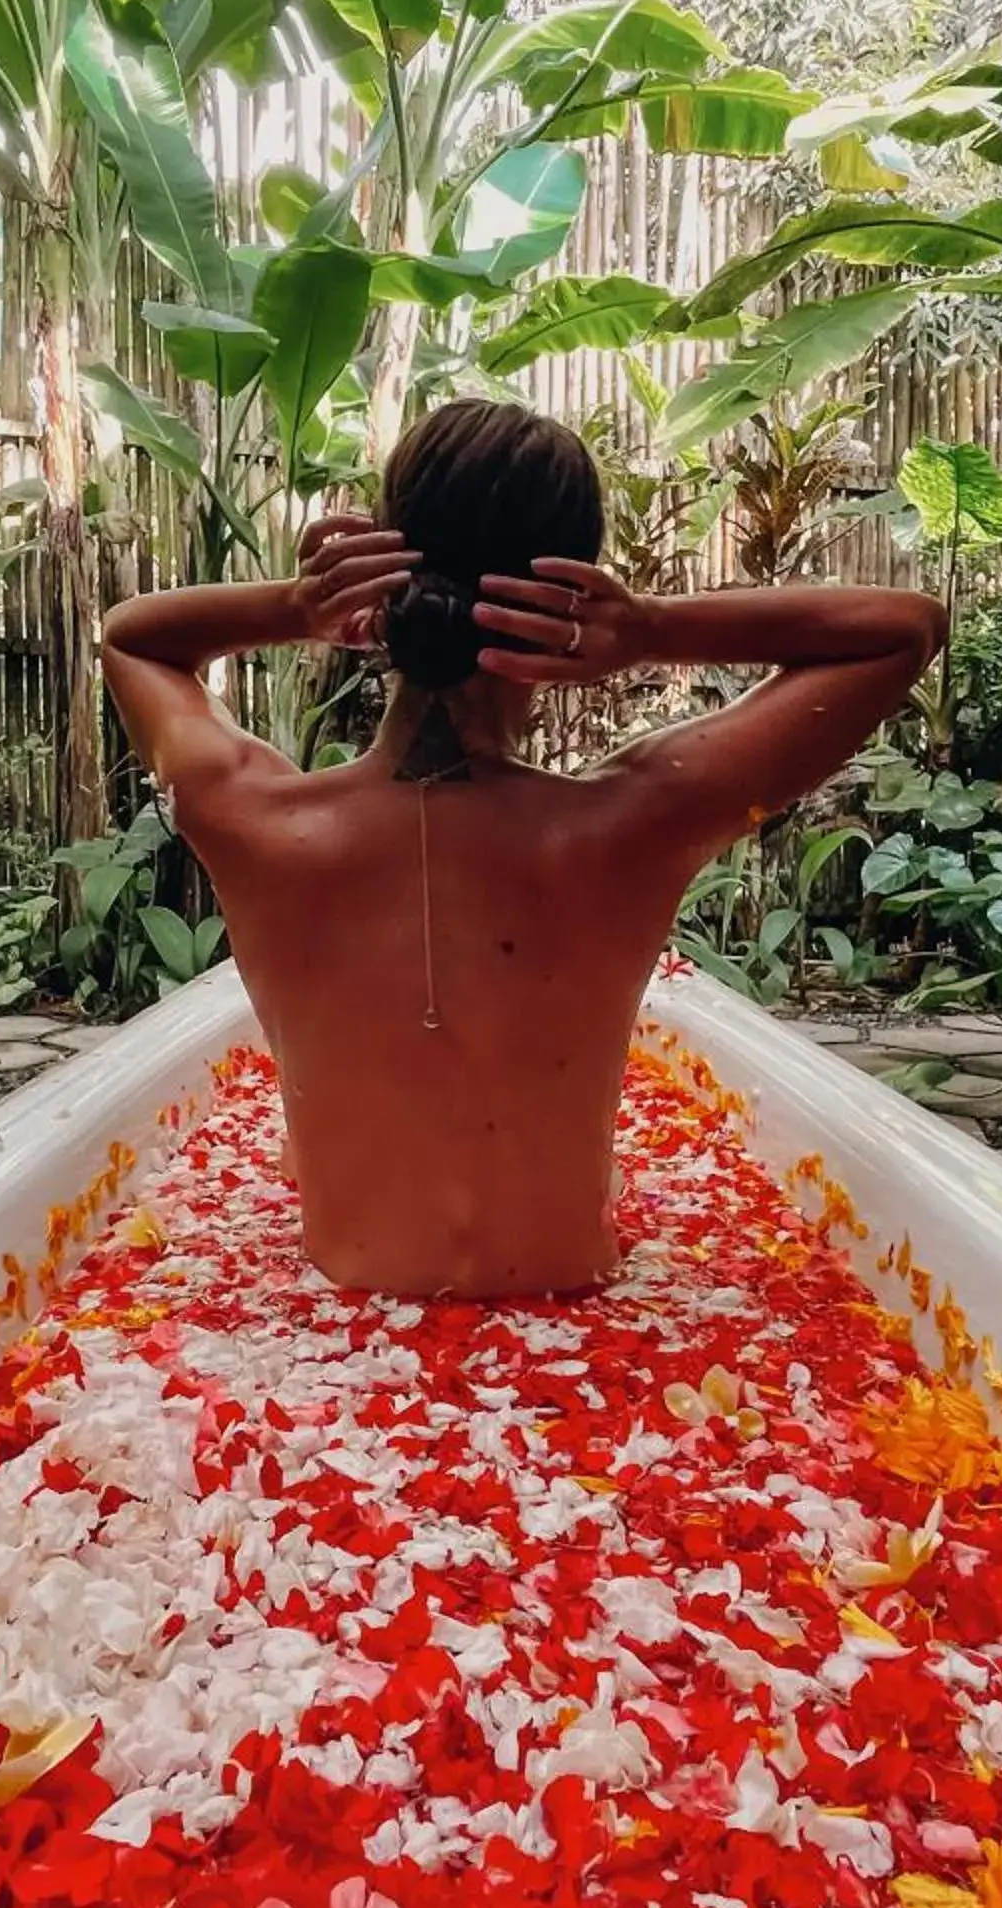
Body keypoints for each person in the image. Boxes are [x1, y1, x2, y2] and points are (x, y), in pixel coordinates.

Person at [100, 401, 945, 1301]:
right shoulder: (632, 826)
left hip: (341, 1347)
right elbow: (903, 628)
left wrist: (297, 606)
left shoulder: (256, 819)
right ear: (579, 581)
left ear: (385, 566)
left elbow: (131, 637)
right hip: (584, 1335)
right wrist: (654, 629)